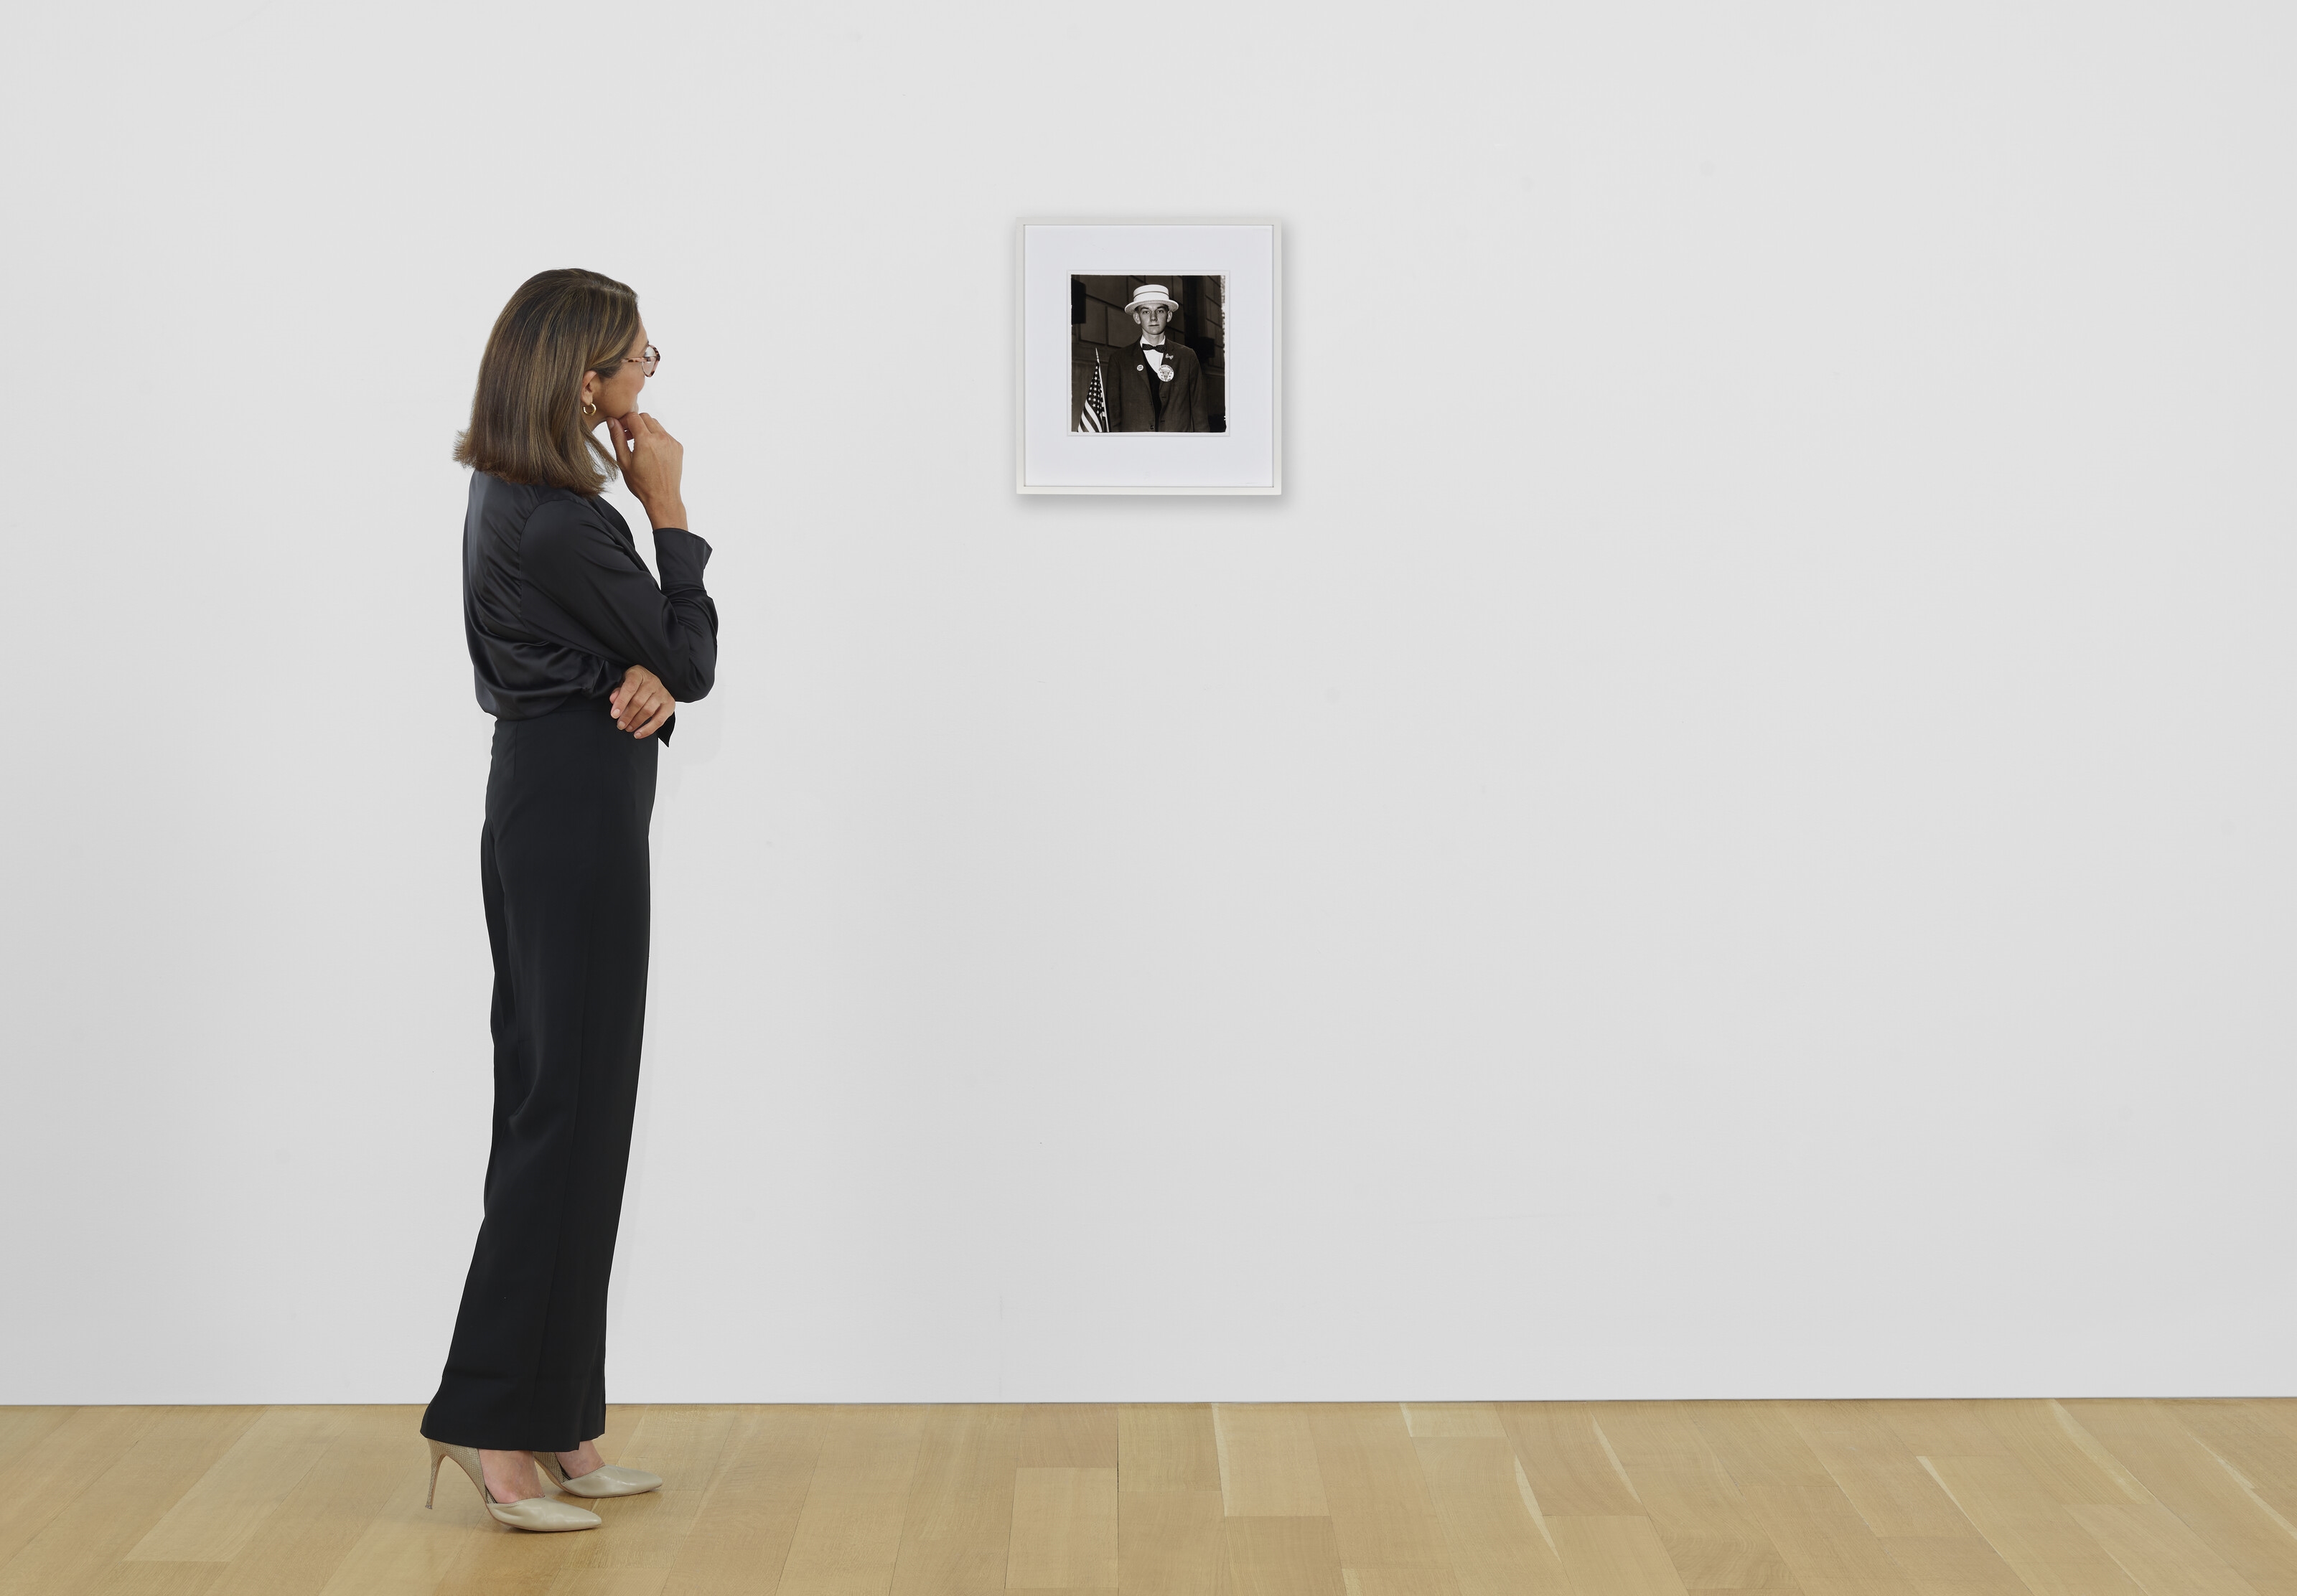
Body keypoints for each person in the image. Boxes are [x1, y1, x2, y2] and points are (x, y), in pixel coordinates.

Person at [418, 268, 719, 1534]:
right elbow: (694, 657)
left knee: (568, 1103)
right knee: (567, 1108)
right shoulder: (574, 520)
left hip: (549, 799)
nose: (652, 376)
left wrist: (636, 666)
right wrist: (673, 510)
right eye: (641, 358)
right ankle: (495, 1424)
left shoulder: (513, 496)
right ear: (586, 380)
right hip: (577, 814)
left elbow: (652, 664)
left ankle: (557, 1414)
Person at [1093, 283, 1208, 432]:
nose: (1153, 318)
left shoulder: (1187, 357)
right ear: (1137, 317)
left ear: (1169, 315)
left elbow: (1200, 413)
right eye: (1146, 312)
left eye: (1159, 311)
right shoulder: (1119, 360)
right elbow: (1114, 416)